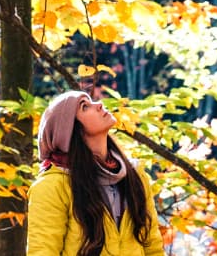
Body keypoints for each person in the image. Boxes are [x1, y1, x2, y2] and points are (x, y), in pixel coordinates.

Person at [27, 91, 165, 256]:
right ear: (69, 131)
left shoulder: (135, 175)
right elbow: (43, 252)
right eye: (85, 107)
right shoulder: (52, 186)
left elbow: (153, 246)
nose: (99, 104)